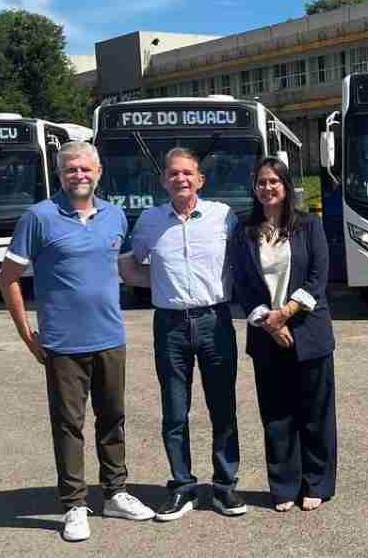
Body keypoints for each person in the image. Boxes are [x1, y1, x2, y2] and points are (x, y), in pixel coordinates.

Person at [0, 140, 156, 542]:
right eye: (71, 170)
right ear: (60, 174)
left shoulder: (115, 217)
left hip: (110, 337)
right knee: (69, 424)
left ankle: (116, 493)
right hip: (63, 344)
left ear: (99, 172)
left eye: (86, 169)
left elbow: (126, 271)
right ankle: (74, 504)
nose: (79, 175)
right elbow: (9, 279)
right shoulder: (39, 217)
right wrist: (27, 336)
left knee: (113, 418)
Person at [118, 147, 246, 521]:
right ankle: (182, 486)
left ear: (200, 180)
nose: (181, 179)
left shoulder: (223, 217)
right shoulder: (150, 220)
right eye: (173, 174)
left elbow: (242, 264)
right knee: (175, 411)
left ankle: (224, 487)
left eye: (188, 173)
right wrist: (157, 287)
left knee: (222, 407)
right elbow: (130, 264)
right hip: (170, 324)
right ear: (164, 181)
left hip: (215, 320)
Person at [229, 156, 337, 513]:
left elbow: (318, 279)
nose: (267, 187)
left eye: (274, 181)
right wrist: (268, 322)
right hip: (266, 336)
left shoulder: (309, 225)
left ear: (286, 186)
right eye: (261, 182)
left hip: (309, 333)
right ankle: (284, 485)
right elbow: (243, 286)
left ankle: (317, 483)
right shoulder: (244, 230)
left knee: (314, 413)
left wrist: (286, 313)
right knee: (276, 415)